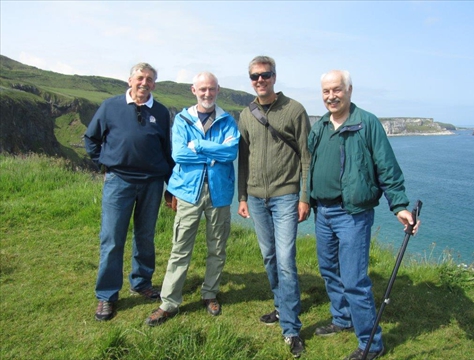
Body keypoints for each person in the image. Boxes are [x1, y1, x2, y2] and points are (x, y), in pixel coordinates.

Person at [308, 70, 421, 360]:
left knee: (354, 279)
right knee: (329, 269)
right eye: (325, 92)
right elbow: (309, 165)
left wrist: (399, 205)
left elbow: (387, 167)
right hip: (323, 212)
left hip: (353, 214)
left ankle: (371, 343)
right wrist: (305, 199)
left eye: (336, 90)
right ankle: (342, 318)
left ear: (349, 90)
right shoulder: (320, 125)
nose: (331, 96)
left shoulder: (367, 123)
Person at [145, 72, 240, 326]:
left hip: (219, 193)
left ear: (218, 90)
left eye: (211, 89)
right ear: (193, 90)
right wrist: (212, 153)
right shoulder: (182, 119)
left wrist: (197, 146)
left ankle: (210, 293)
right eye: (202, 89)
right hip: (188, 192)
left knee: (217, 247)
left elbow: (230, 152)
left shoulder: (228, 120)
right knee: (180, 248)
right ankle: (169, 302)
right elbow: (179, 154)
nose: (207, 94)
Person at [84, 62, 174, 321]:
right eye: (140, 78)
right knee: (112, 239)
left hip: (152, 183)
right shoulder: (110, 106)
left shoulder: (161, 111)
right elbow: (91, 139)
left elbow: (165, 150)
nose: (144, 83)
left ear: (154, 84)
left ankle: (141, 282)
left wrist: (170, 186)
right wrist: (105, 161)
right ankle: (106, 295)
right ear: (130, 80)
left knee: (145, 236)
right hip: (119, 182)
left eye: (149, 79)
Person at [237, 56, 311, 358]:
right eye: (254, 76)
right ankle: (281, 307)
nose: (260, 81)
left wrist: (305, 196)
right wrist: (241, 196)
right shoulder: (245, 115)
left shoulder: (294, 110)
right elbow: (243, 158)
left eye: (265, 75)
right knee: (268, 256)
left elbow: (307, 156)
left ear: (275, 77)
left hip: (286, 196)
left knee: (285, 259)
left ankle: (291, 329)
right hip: (255, 197)